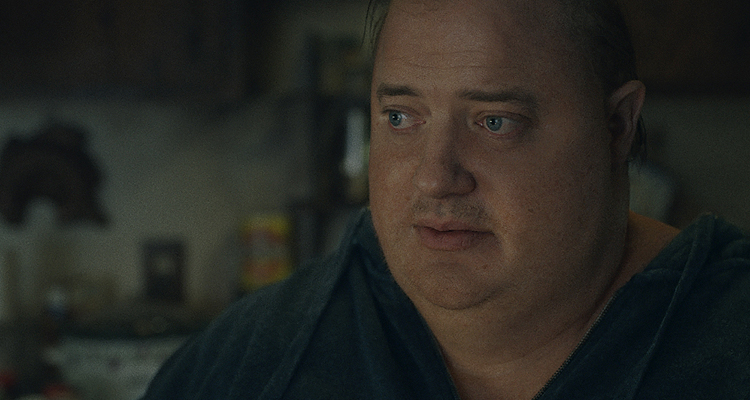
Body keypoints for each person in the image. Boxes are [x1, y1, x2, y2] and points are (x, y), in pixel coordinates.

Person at [141, 0, 750, 399]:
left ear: (616, 125)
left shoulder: (726, 340)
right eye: (400, 117)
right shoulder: (259, 357)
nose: (434, 179)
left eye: (495, 122)